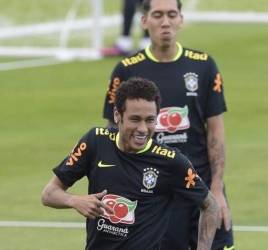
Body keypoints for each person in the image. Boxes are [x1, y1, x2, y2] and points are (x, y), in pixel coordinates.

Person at [102, 0, 235, 249]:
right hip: (153, 193)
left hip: (202, 188)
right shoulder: (126, 70)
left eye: (172, 14)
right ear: (144, 21)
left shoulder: (204, 66)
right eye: (158, 15)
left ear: (181, 20)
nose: (165, 21)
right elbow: (113, 134)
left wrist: (217, 190)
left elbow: (215, 131)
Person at [42, 77, 220, 250]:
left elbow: (210, 205)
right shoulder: (95, 142)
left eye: (150, 120)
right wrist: (74, 200)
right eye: (135, 119)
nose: (143, 129)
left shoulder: (171, 161)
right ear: (117, 115)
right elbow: (49, 194)